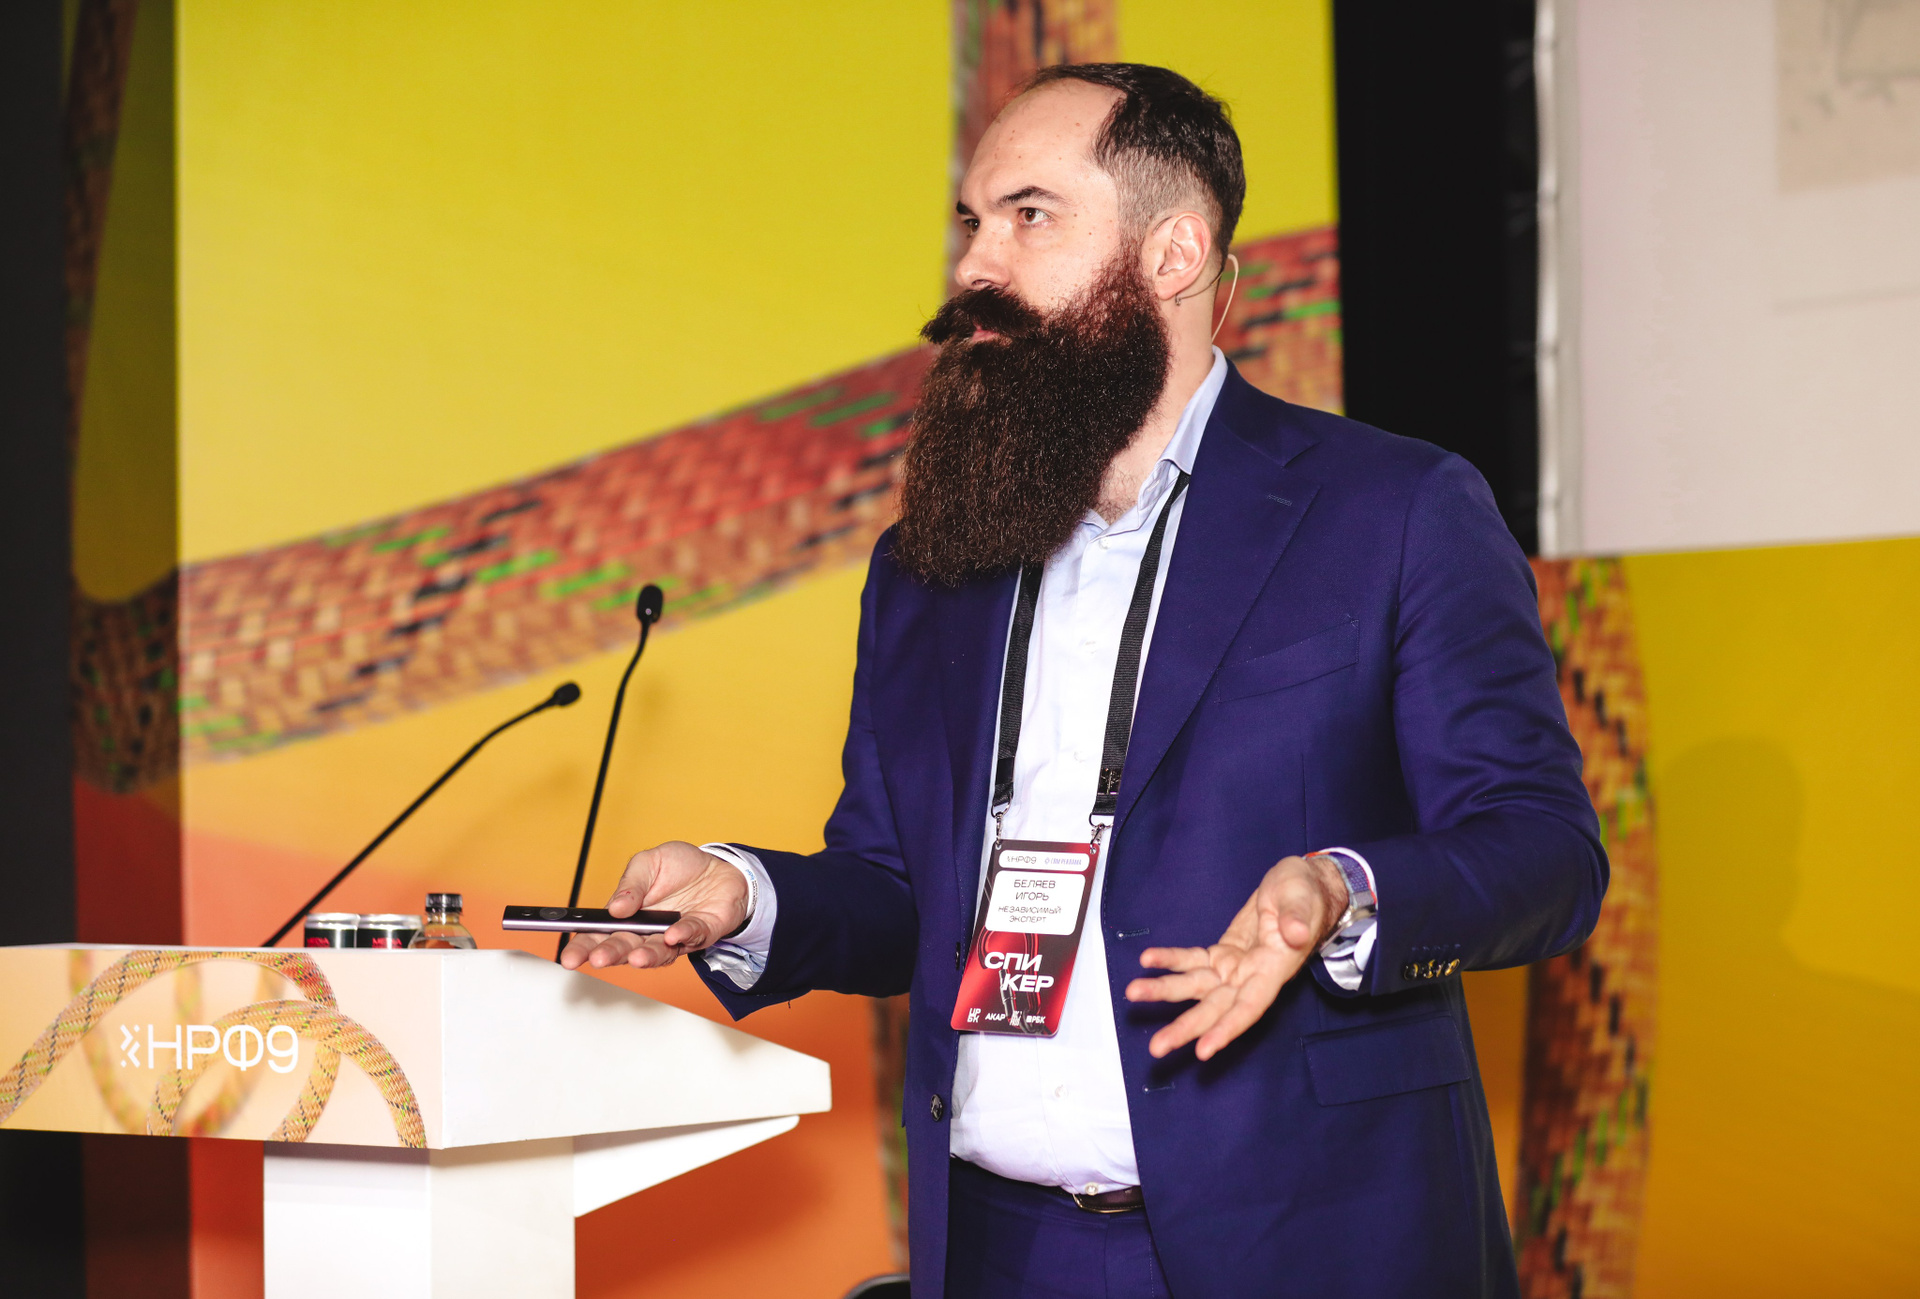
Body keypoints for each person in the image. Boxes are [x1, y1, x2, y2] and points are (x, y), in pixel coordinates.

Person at [563, 63, 1604, 1299]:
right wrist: (745, 897)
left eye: (1029, 216)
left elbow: (1544, 853)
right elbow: (900, 891)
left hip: (1310, 1239)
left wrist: (1343, 888)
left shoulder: (1393, 509)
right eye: (971, 221)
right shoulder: (929, 562)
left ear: (1173, 254)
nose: (973, 266)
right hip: (1002, 1250)